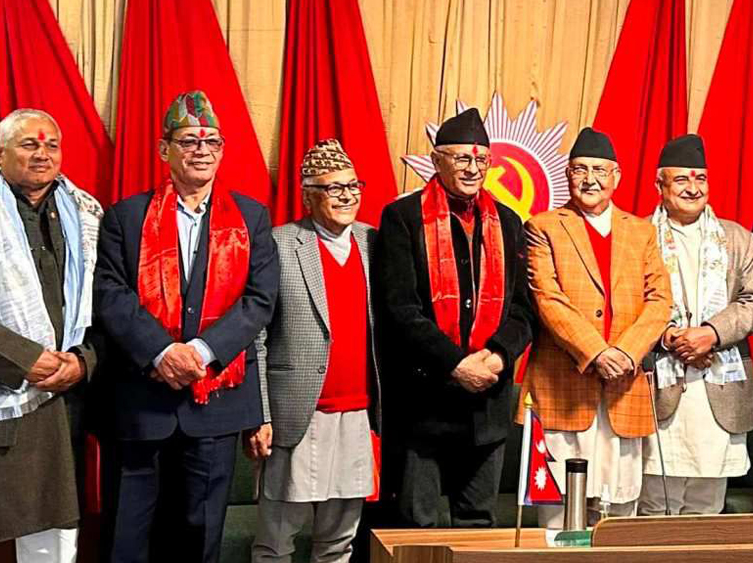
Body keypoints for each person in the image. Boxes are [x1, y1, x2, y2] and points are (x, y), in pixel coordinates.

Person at [94, 90, 279, 562]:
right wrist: (162, 351)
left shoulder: (251, 217)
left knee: (200, 537)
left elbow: (259, 300)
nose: (202, 150)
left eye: (212, 141)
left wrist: (200, 352)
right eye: (189, 140)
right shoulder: (126, 216)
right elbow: (111, 295)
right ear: (164, 150)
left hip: (215, 402)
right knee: (126, 536)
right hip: (140, 401)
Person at [375, 108, 534, 528]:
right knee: (416, 526)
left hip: (488, 400)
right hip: (423, 400)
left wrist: (497, 357)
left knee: (479, 525)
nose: (472, 168)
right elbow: (399, 309)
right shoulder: (403, 217)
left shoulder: (508, 221)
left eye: (482, 159)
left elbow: (523, 308)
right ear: (436, 160)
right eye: (462, 158)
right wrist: (456, 364)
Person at [0, 109, 102, 563]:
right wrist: (25, 359)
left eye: (51, 145)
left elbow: (110, 302)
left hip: (64, 398)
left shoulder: (88, 215)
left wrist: (84, 360)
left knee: (54, 538)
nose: (42, 153)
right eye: (28, 144)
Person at [521, 127, 673, 526]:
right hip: (564, 385)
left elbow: (660, 300)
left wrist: (625, 353)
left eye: (600, 170)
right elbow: (547, 299)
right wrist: (597, 353)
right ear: (567, 175)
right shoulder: (543, 227)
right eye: (580, 170)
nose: (590, 179)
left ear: (616, 176)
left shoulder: (642, 231)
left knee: (618, 512)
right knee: (558, 513)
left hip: (624, 385)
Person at [248, 139, 380, 562]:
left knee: (339, 542)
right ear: (308, 196)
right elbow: (256, 336)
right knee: (275, 542)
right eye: (333, 188)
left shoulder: (374, 242)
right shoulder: (279, 243)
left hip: (357, 415)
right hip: (296, 417)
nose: (346, 196)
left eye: (353, 186)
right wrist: (261, 414)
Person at [639, 134, 753, 516]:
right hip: (658, 385)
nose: (693, 188)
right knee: (654, 506)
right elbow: (628, 303)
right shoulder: (638, 235)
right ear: (660, 185)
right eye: (681, 179)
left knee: (706, 509)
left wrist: (710, 334)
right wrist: (670, 338)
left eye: (700, 179)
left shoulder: (736, 238)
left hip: (720, 386)